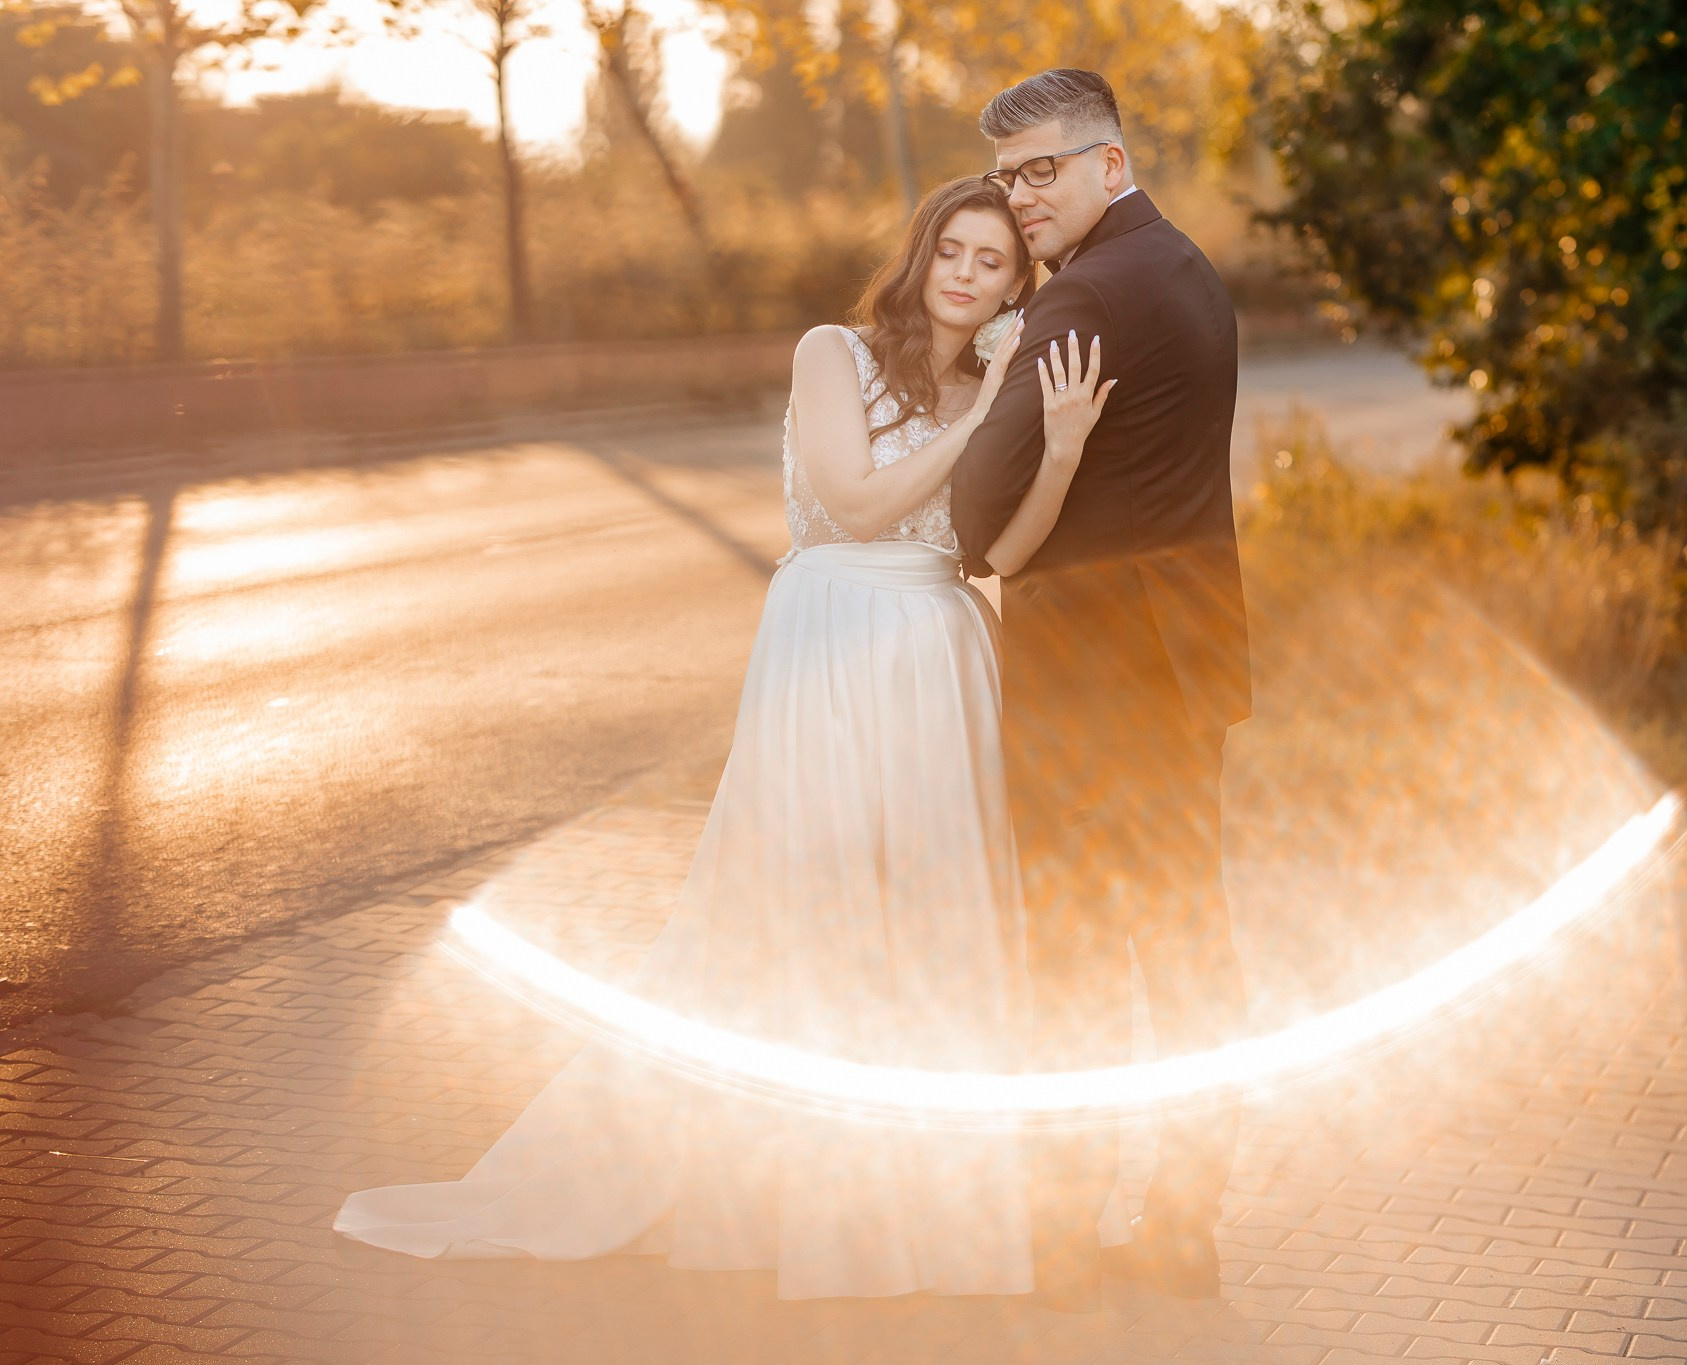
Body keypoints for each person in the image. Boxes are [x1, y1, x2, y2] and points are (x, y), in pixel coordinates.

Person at [331, 175, 1117, 1300]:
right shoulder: (830, 355)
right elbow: (850, 505)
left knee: (931, 920)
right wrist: (991, 405)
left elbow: (1002, 558)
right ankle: (802, 1205)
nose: (965, 274)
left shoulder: (991, 392)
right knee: (811, 911)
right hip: (835, 639)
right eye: (951, 249)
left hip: (943, 653)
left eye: (993, 263)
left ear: (1013, 287)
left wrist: (1058, 449)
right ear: (920, 254)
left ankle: (922, 1212)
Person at [950, 69, 1256, 1312]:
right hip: (1178, 666)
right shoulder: (1183, 270)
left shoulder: (1084, 295)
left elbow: (976, 514)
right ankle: (1184, 1226)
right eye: (1007, 176)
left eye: (1043, 170)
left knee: (1079, 956)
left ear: (1109, 164)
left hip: (1089, 685)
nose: (1021, 197)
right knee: (1185, 946)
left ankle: (1072, 1232)